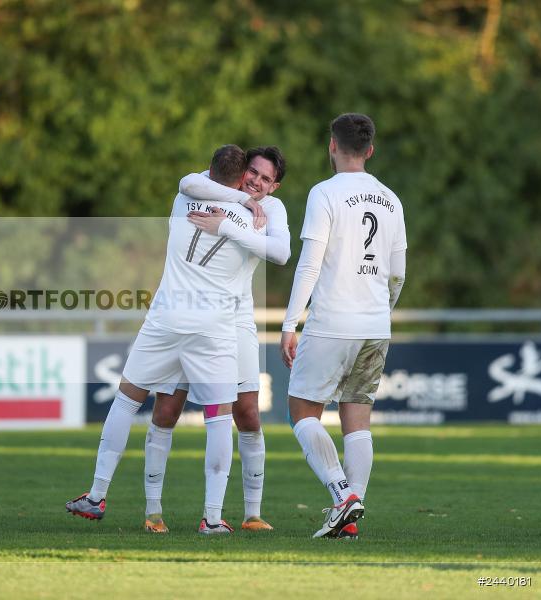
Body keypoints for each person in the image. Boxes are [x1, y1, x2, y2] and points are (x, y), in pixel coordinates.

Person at [66, 144, 257, 534]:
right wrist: (247, 201)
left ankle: (98, 493)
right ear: (242, 179)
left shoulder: (184, 197)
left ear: (209, 170)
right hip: (214, 326)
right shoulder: (252, 218)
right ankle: (212, 518)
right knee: (219, 419)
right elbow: (277, 251)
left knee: (126, 399)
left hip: (166, 318)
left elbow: (190, 181)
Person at [142, 146, 290, 534]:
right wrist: (237, 201)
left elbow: (281, 252)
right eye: (252, 172)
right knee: (167, 409)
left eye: (266, 179)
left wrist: (227, 226)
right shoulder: (214, 190)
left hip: (236, 320)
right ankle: (153, 512)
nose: (256, 181)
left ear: (274, 186)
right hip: (190, 313)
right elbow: (189, 182)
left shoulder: (273, 209)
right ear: (242, 171)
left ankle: (251, 514)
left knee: (248, 414)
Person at [280, 113, 406, 539]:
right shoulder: (391, 199)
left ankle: (342, 495)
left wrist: (289, 323)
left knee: (301, 411)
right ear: (370, 150)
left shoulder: (324, 193)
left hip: (332, 321)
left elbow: (310, 264)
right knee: (357, 418)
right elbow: (398, 274)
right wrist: (380, 310)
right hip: (375, 324)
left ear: (332, 145)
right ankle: (349, 517)